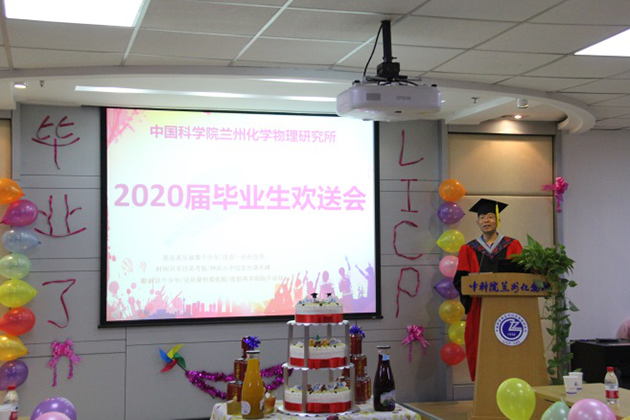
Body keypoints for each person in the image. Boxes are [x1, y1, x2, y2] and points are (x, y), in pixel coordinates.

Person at [453, 199, 523, 381]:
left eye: (491, 216)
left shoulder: (512, 245)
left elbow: (521, 275)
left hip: (507, 307)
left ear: (497, 220)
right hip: (479, 307)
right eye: (482, 217)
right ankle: (483, 383)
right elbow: (460, 280)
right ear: (477, 222)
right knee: (479, 343)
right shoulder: (468, 249)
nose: (486, 220)